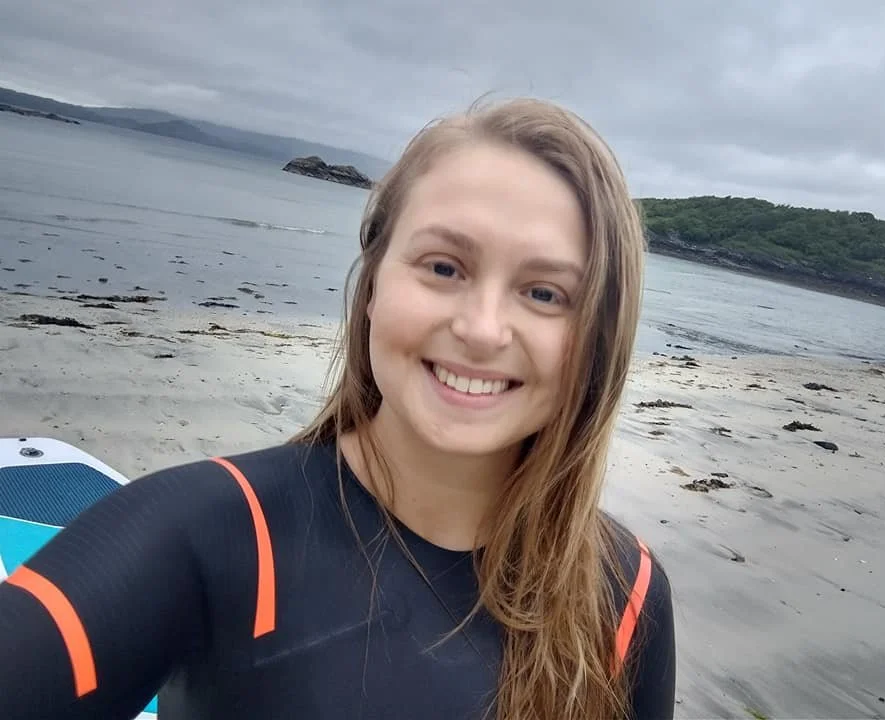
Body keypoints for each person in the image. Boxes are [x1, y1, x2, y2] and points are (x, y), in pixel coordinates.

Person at [0, 97, 676, 719]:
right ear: (374, 283)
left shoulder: (625, 594)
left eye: (546, 293)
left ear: (597, 340)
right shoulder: (211, 534)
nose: (482, 328)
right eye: (444, 268)